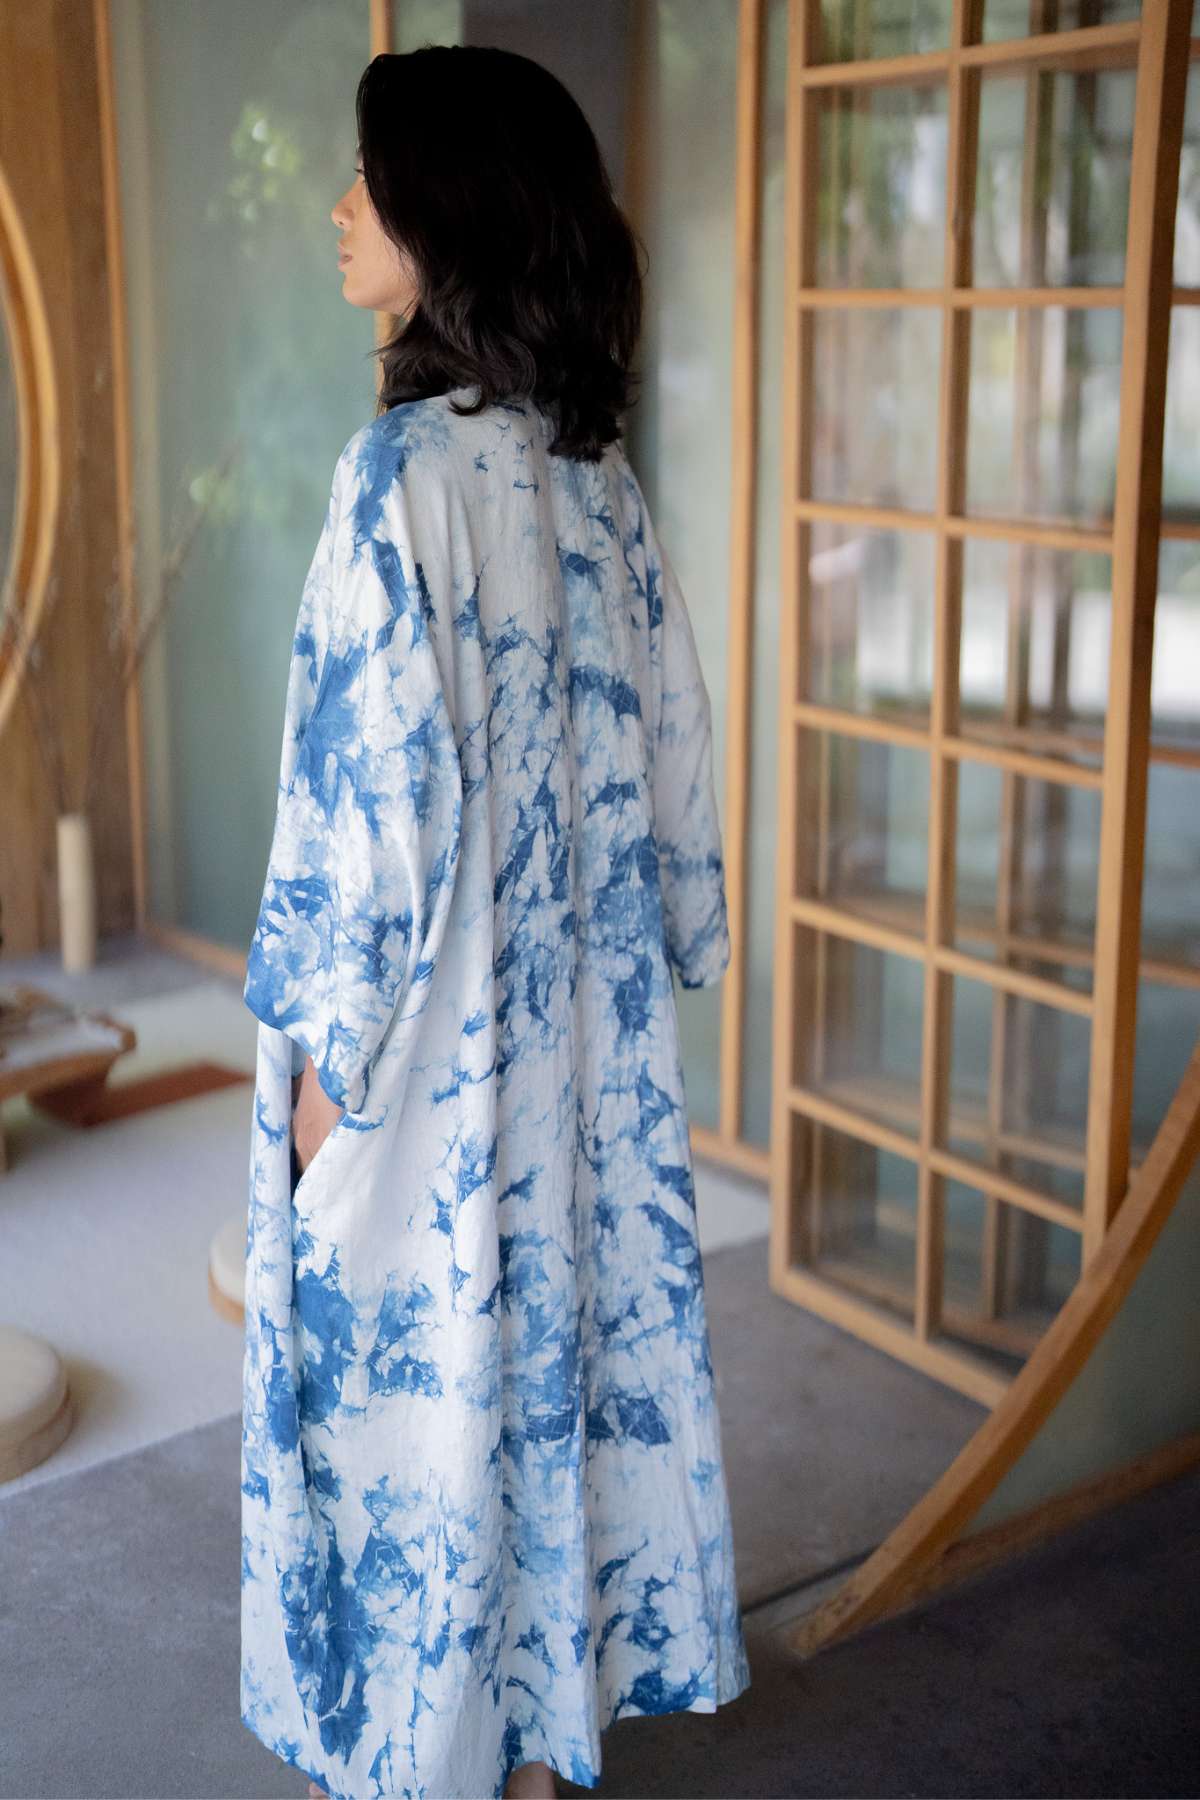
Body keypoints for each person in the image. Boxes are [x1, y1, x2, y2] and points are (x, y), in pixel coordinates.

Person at [240, 43, 751, 1800]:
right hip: (587, 1060)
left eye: (366, 182)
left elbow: (362, 824)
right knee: (558, 1369)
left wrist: (321, 1075)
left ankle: (438, 1754)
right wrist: (683, 932)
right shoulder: (597, 485)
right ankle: (536, 1749)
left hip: (434, 1065)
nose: (338, 209)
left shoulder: (397, 484)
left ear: (445, 212)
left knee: (422, 1407)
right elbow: (678, 750)